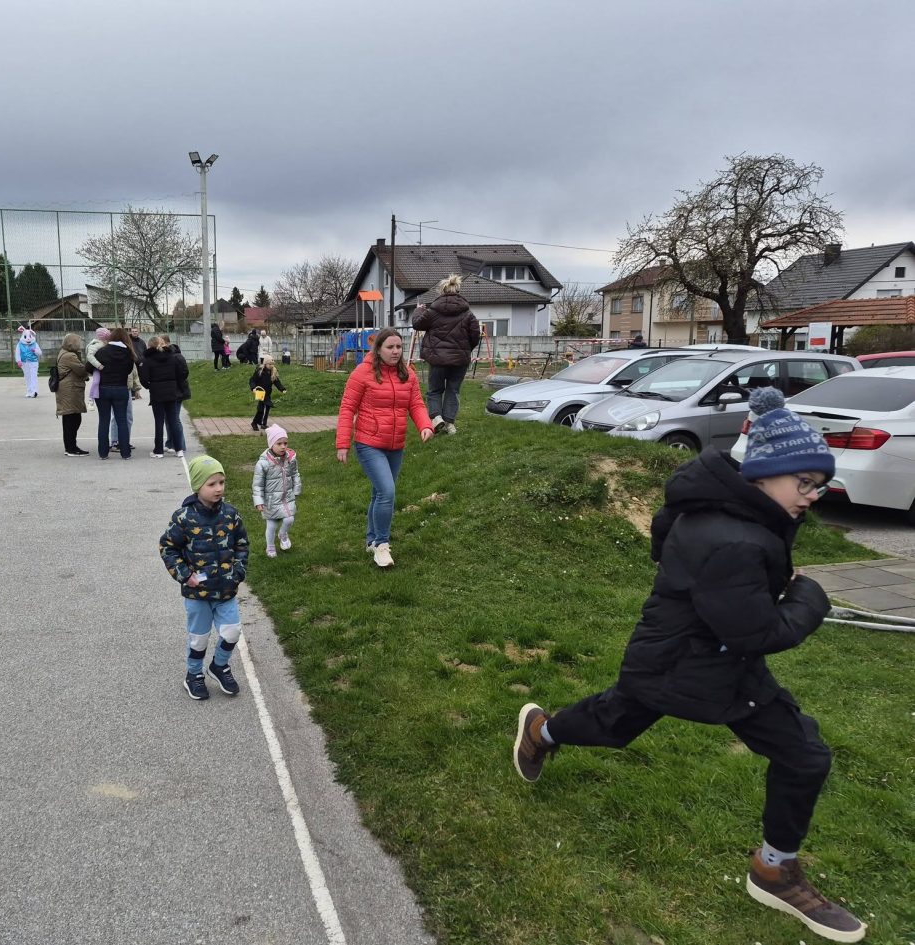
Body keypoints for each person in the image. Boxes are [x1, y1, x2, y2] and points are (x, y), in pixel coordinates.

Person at [512, 387, 865, 945]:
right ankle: (541, 731)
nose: (814, 496)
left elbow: (714, 590)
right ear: (764, 474)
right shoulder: (731, 537)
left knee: (804, 754)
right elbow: (759, 631)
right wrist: (808, 599)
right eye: (805, 483)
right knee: (612, 725)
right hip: (675, 662)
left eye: (819, 485)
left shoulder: (732, 510)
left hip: (725, 664)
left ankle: (775, 869)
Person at [335, 327, 434, 569]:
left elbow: (417, 404)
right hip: (369, 443)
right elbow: (348, 408)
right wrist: (342, 443)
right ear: (378, 349)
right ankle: (381, 545)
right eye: (390, 347)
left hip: (396, 444)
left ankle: (371, 539)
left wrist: (425, 425)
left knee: (379, 494)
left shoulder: (407, 374)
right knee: (387, 493)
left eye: (399, 347)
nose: (395, 351)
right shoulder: (362, 373)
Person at [159, 455, 249, 701]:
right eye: (212, 484)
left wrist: (238, 571)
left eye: (222, 482)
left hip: (225, 591)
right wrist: (184, 575)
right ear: (198, 486)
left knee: (231, 633)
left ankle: (219, 666)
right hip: (197, 593)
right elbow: (168, 548)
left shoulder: (231, 515)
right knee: (198, 639)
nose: (219, 488)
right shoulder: (184, 518)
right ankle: (194, 674)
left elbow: (242, 544)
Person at [411, 273, 480, 435]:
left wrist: (418, 311)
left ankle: (436, 418)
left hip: (437, 359)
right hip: (460, 360)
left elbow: (417, 324)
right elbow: (475, 335)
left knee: (435, 390)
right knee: (453, 390)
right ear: (458, 290)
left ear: (441, 291)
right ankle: (450, 424)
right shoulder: (468, 313)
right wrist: (465, 349)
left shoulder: (433, 311)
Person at [253, 424, 302, 558]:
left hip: (287, 497)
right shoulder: (263, 463)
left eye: (285, 443)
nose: (283, 446)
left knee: (289, 519)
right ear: (271, 444)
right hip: (271, 500)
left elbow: (295, 474)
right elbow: (257, 484)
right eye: (279, 443)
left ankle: (283, 534)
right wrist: (258, 500)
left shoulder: (290, 459)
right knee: (272, 524)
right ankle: (270, 546)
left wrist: (297, 488)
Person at [91, 327, 137, 459]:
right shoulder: (128, 353)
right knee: (122, 420)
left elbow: (89, 366)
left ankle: (103, 453)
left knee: (104, 420)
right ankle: (125, 453)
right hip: (121, 388)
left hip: (103, 389)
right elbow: (129, 370)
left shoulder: (101, 351)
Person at [140, 335, 188, 459]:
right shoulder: (173, 357)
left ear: (150, 345)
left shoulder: (148, 360)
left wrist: (149, 386)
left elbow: (144, 378)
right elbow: (180, 374)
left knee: (159, 422)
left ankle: (159, 450)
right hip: (172, 391)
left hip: (157, 392)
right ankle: (179, 449)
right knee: (173, 420)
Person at [54, 332, 90, 455]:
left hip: (69, 389)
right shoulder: (69, 356)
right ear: (72, 343)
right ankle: (71, 448)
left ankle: (71, 446)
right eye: (78, 342)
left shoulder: (64, 353)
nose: (80, 345)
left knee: (71, 418)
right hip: (70, 390)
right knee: (72, 419)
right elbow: (81, 370)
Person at [249, 355, 287, 432]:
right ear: (265, 364)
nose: (271, 366)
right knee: (261, 409)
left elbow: (277, 382)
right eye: (269, 364)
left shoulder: (273, 372)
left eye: (272, 364)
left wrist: (282, 389)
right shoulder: (259, 371)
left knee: (266, 407)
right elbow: (252, 380)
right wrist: (253, 388)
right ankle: (255, 423)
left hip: (267, 393)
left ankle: (262, 423)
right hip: (260, 392)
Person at [15, 325, 42, 398]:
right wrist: (18, 361)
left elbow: (40, 353)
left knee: (34, 376)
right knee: (27, 376)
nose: (28, 339)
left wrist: (35, 351)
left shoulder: (35, 344)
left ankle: (34, 391)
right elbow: (17, 353)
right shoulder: (19, 344)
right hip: (24, 363)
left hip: (33, 362)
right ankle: (29, 391)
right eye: (25, 337)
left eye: (30, 337)